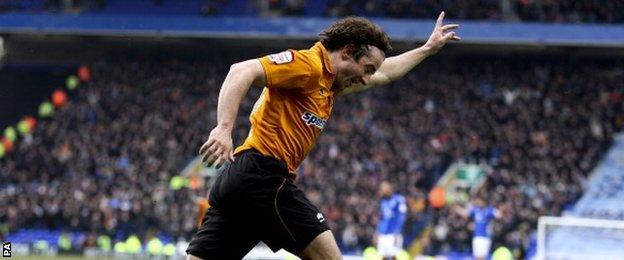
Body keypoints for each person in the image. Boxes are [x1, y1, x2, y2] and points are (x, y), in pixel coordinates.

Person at [186, 12, 460, 260]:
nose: (366, 79)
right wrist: (223, 127)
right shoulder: (309, 66)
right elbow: (241, 70)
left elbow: (385, 74)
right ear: (347, 52)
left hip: (240, 183)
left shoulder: (329, 85)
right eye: (366, 69)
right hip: (263, 177)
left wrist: (426, 49)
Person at [376, 181, 407, 259]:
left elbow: (402, 216)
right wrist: (377, 232)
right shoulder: (383, 202)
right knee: (383, 256)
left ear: (389, 189)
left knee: (394, 256)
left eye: (383, 188)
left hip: (393, 234)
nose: (381, 190)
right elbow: (381, 218)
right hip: (383, 234)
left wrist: (397, 232)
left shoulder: (399, 200)